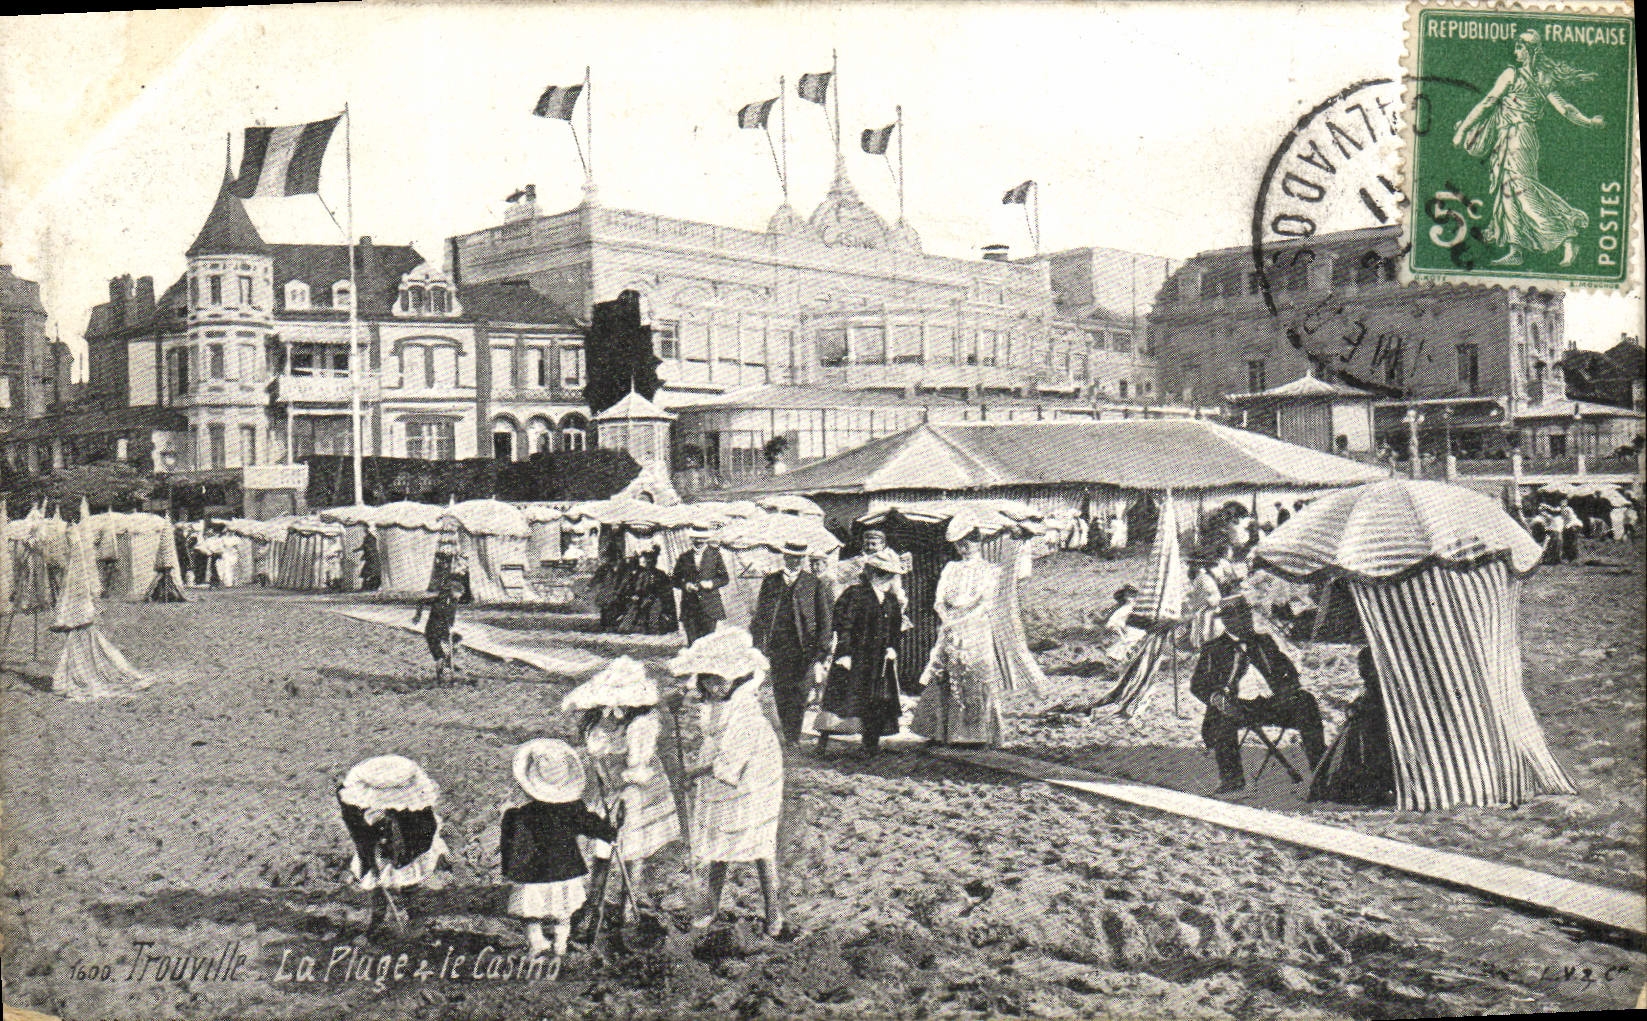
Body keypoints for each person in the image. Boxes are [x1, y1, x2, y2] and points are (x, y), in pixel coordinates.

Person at [667, 628, 787, 939]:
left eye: (720, 680)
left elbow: (732, 757)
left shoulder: (746, 709)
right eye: (707, 679)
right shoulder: (714, 700)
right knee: (719, 837)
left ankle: (773, 909)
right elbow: (712, 737)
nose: (713, 686)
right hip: (719, 769)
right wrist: (676, 708)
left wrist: (692, 773)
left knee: (758, 839)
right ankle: (710, 904)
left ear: (738, 678)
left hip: (753, 773)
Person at [1452, 29, 1604, 267]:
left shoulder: (1512, 75)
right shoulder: (1542, 78)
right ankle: (1516, 249)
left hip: (1518, 138)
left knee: (1522, 191)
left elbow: (1488, 103)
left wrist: (1463, 130)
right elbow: (1566, 109)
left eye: (1519, 48)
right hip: (1515, 137)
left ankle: (1566, 235)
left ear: (1530, 50)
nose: (1516, 52)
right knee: (1508, 191)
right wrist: (1588, 121)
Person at [563, 657, 681, 926]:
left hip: (637, 788)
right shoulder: (598, 720)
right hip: (606, 786)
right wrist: (603, 781)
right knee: (602, 844)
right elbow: (595, 754)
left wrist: (623, 796)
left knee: (631, 847)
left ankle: (629, 902)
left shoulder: (642, 724)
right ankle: (595, 901)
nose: (614, 706)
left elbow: (637, 769)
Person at [1189, 595, 1326, 795]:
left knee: (1305, 701)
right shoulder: (1214, 648)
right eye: (1241, 616)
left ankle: (1320, 769)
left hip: (1272, 704)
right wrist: (1217, 699)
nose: (1248, 620)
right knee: (1219, 719)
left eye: (1248, 615)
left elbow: (1287, 669)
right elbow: (1198, 684)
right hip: (1237, 706)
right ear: (1227, 620)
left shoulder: (1264, 641)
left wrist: (1289, 687)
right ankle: (1232, 779)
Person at [501, 739, 618, 972]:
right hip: (565, 869)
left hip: (532, 873)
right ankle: (561, 944)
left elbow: (509, 846)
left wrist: (511, 870)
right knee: (563, 911)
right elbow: (592, 826)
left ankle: (536, 944)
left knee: (531, 913)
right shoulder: (572, 809)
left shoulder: (518, 815)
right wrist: (609, 829)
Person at [911, 520, 1009, 748]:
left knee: (972, 675)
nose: (963, 547)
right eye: (959, 544)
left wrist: (962, 622)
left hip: (975, 628)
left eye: (969, 542)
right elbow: (939, 600)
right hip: (950, 625)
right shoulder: (950, 568)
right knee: (944, 674)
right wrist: (948, 622)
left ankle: (974, 734)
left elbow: (986, 603)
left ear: (979, 541)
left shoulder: (990, 570)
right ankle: (941, 732)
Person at [337, 755, 450, 934]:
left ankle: (414, 917)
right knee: (379, 888)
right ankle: (378, 922)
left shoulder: (416, 812)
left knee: (409, 884)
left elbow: (425, 834)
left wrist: (403, 852)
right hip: (380, 853)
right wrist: (372, 858)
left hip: (407, 851)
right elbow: (361, 836)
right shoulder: (365, 813)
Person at [815, 547, 907, 754]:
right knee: (843, 698)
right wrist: (845, 653)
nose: (885, 579)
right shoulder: (855, 594)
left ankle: (870, 743)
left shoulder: (891, 600)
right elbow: (843, 624)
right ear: (871, 573)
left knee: (877, 700)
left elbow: (895, 628)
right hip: (856, 655)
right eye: (881, 574)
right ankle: (824, 739)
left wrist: (893, 647)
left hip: (879, 659)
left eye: (888, 576)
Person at [750, 540, 833, 745]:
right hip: (778, 645)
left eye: (798, 558)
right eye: (790, 557)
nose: (794, 561)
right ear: (784, 557)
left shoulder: (813, 583)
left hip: (805, 647)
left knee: (801, 690)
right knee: (781, 689)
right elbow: (760, 615)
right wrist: (758, 646)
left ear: (803, 559)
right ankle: (788, 732)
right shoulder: (771, 581)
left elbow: (825, 619)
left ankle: (793, 734)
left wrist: (822, 649)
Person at [1307, 648, 1396, 806]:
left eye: (1365, 668)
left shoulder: (1386, 689)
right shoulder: (1373, 688)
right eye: (1361, 668)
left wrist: (1359, 708)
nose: (1362, 673)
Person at [672, 526, 729, 644]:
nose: (699, 541)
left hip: (710, 606)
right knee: (693, 643)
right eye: (696, 539)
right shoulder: (684, 557)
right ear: (692, 539)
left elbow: (725, 578)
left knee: (708, 643)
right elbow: (675, 579)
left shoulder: (715, 555)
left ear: (707, 539)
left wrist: (711, 583)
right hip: (690, 606)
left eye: (702, 539)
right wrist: (686, 585)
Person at [617, 548, 677, 636]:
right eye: (644, 562)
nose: (646, 564)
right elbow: (630, 587)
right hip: (639, 598)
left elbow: (666, 588)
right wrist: (632, 595)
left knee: (655, 617)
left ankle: (653, 626)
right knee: (631, 618)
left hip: (656, 598)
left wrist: (658, 596)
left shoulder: (659, 573)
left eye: (649, 561)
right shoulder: (638, 573)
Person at [418, 577, 465, 683]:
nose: (460, 596)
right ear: (453, 591)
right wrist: (418, 615)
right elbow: (422, 601)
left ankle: (449, 661)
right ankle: (440, 677)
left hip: (443, 629)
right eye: (459, 593)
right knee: (439, 655)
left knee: (457, 639)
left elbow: (450, 616)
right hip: (432, 631)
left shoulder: (453, 601)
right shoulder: (440, 600)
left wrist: (449, 624)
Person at [1101, 584, 1146, 665]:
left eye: (1132, 594)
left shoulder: (1138, 607)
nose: (1129, 597)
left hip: (1140, 629)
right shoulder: (1123, 609)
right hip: (1129, 630)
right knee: (1127, 647)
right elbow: (1112, 623)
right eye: (1127, 594)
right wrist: (1120, 630)